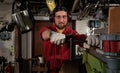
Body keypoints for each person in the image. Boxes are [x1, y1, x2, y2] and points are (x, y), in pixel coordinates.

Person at [39, 6, 99, 73]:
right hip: (50, 69)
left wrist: (87, 38)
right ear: (53, 18)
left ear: (68, 18)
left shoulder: (71, 33)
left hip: (67, 68)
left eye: (64, 17)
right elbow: (44, 33)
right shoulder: (47, 29)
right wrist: (51, 35)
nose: (61, 20)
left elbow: (79, 37)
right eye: (58, 17)